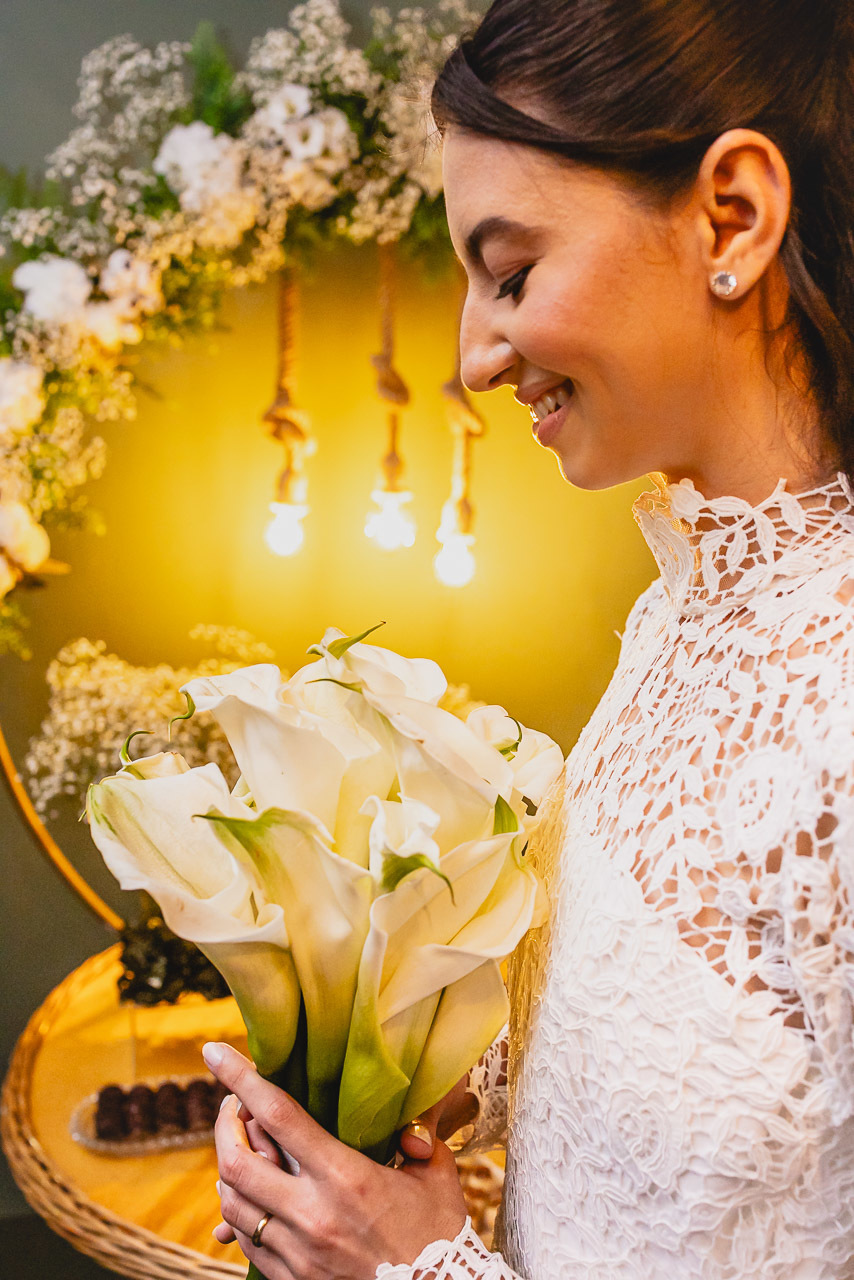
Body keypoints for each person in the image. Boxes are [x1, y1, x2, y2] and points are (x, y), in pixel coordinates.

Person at [202, 0, 854, 1275]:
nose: (472, 357)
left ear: (731, 217)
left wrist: (418, 1269)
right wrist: (413, 1076)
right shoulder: (682, 609)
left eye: (508, 274)